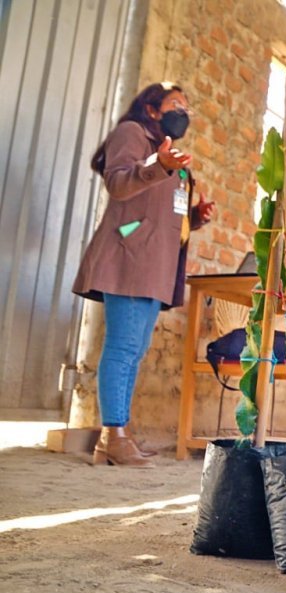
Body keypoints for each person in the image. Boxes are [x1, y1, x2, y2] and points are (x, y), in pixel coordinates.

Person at [73, 82, 215, 467]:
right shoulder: (132, 134)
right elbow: (119, 183)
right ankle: (112, 434)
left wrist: (194, 219)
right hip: (129, 256)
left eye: (187, 107)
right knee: (122, 347)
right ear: (152, 110)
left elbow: (163, 213)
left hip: (156, 264)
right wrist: (158, 165)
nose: (183, 112)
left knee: (134, 351)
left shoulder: (170, 153)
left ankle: (117, 435)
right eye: (175, 104)